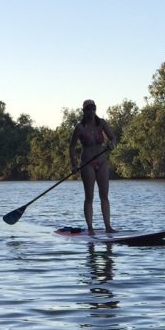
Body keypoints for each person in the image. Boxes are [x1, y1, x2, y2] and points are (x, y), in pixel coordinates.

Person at [69, 99, 116, 234]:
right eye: (88, 109)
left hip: (102, 162)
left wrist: (112, 143)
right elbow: (71, 148)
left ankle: (108, 226)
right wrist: (73, 165)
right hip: (87, 163)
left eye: (93, 108)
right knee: (89, 197)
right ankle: (90, 228)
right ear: (83, 111)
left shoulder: (101, 123)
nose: (91, 111)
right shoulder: (79, 127)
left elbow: (113, 138)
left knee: (104, 195)